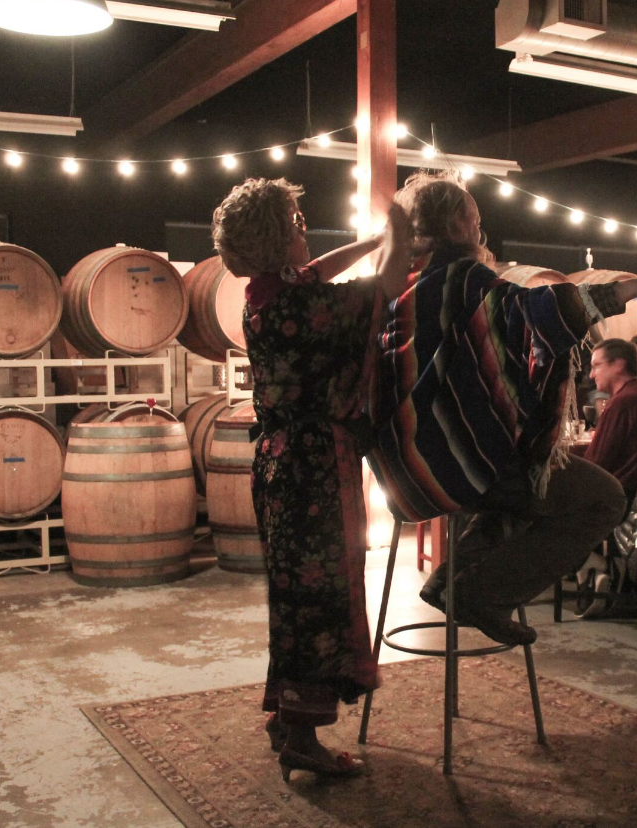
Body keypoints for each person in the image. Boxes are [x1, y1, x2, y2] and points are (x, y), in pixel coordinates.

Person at [369, 171, 637, 646]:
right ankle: (481, 594)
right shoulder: (466, 280)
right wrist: (632, 289)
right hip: (453, 466)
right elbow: (543, 311)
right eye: (474, 218)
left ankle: (451, 580)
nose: (481, 228)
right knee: (601, 497)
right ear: (455, 225)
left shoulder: (396, 287)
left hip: (398, 467)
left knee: (523, 476)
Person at [212, 178, 407, 782]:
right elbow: (384, 289)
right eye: (296, 222)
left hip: (279, 462)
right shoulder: (302, 309)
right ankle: (301, 737)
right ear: (278, 237)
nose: (304, 228)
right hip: (314, 468)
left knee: (294, 598)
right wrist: (400, 230)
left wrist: (371, 239)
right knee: (322, 599)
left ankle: (286, 714)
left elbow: (320, 269)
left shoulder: (265, 293)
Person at [585, 338, 637, 498]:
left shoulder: (624, 401)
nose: (591, 374)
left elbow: (595, 463)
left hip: (620, 497)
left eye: (596, 366)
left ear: (619, 365)